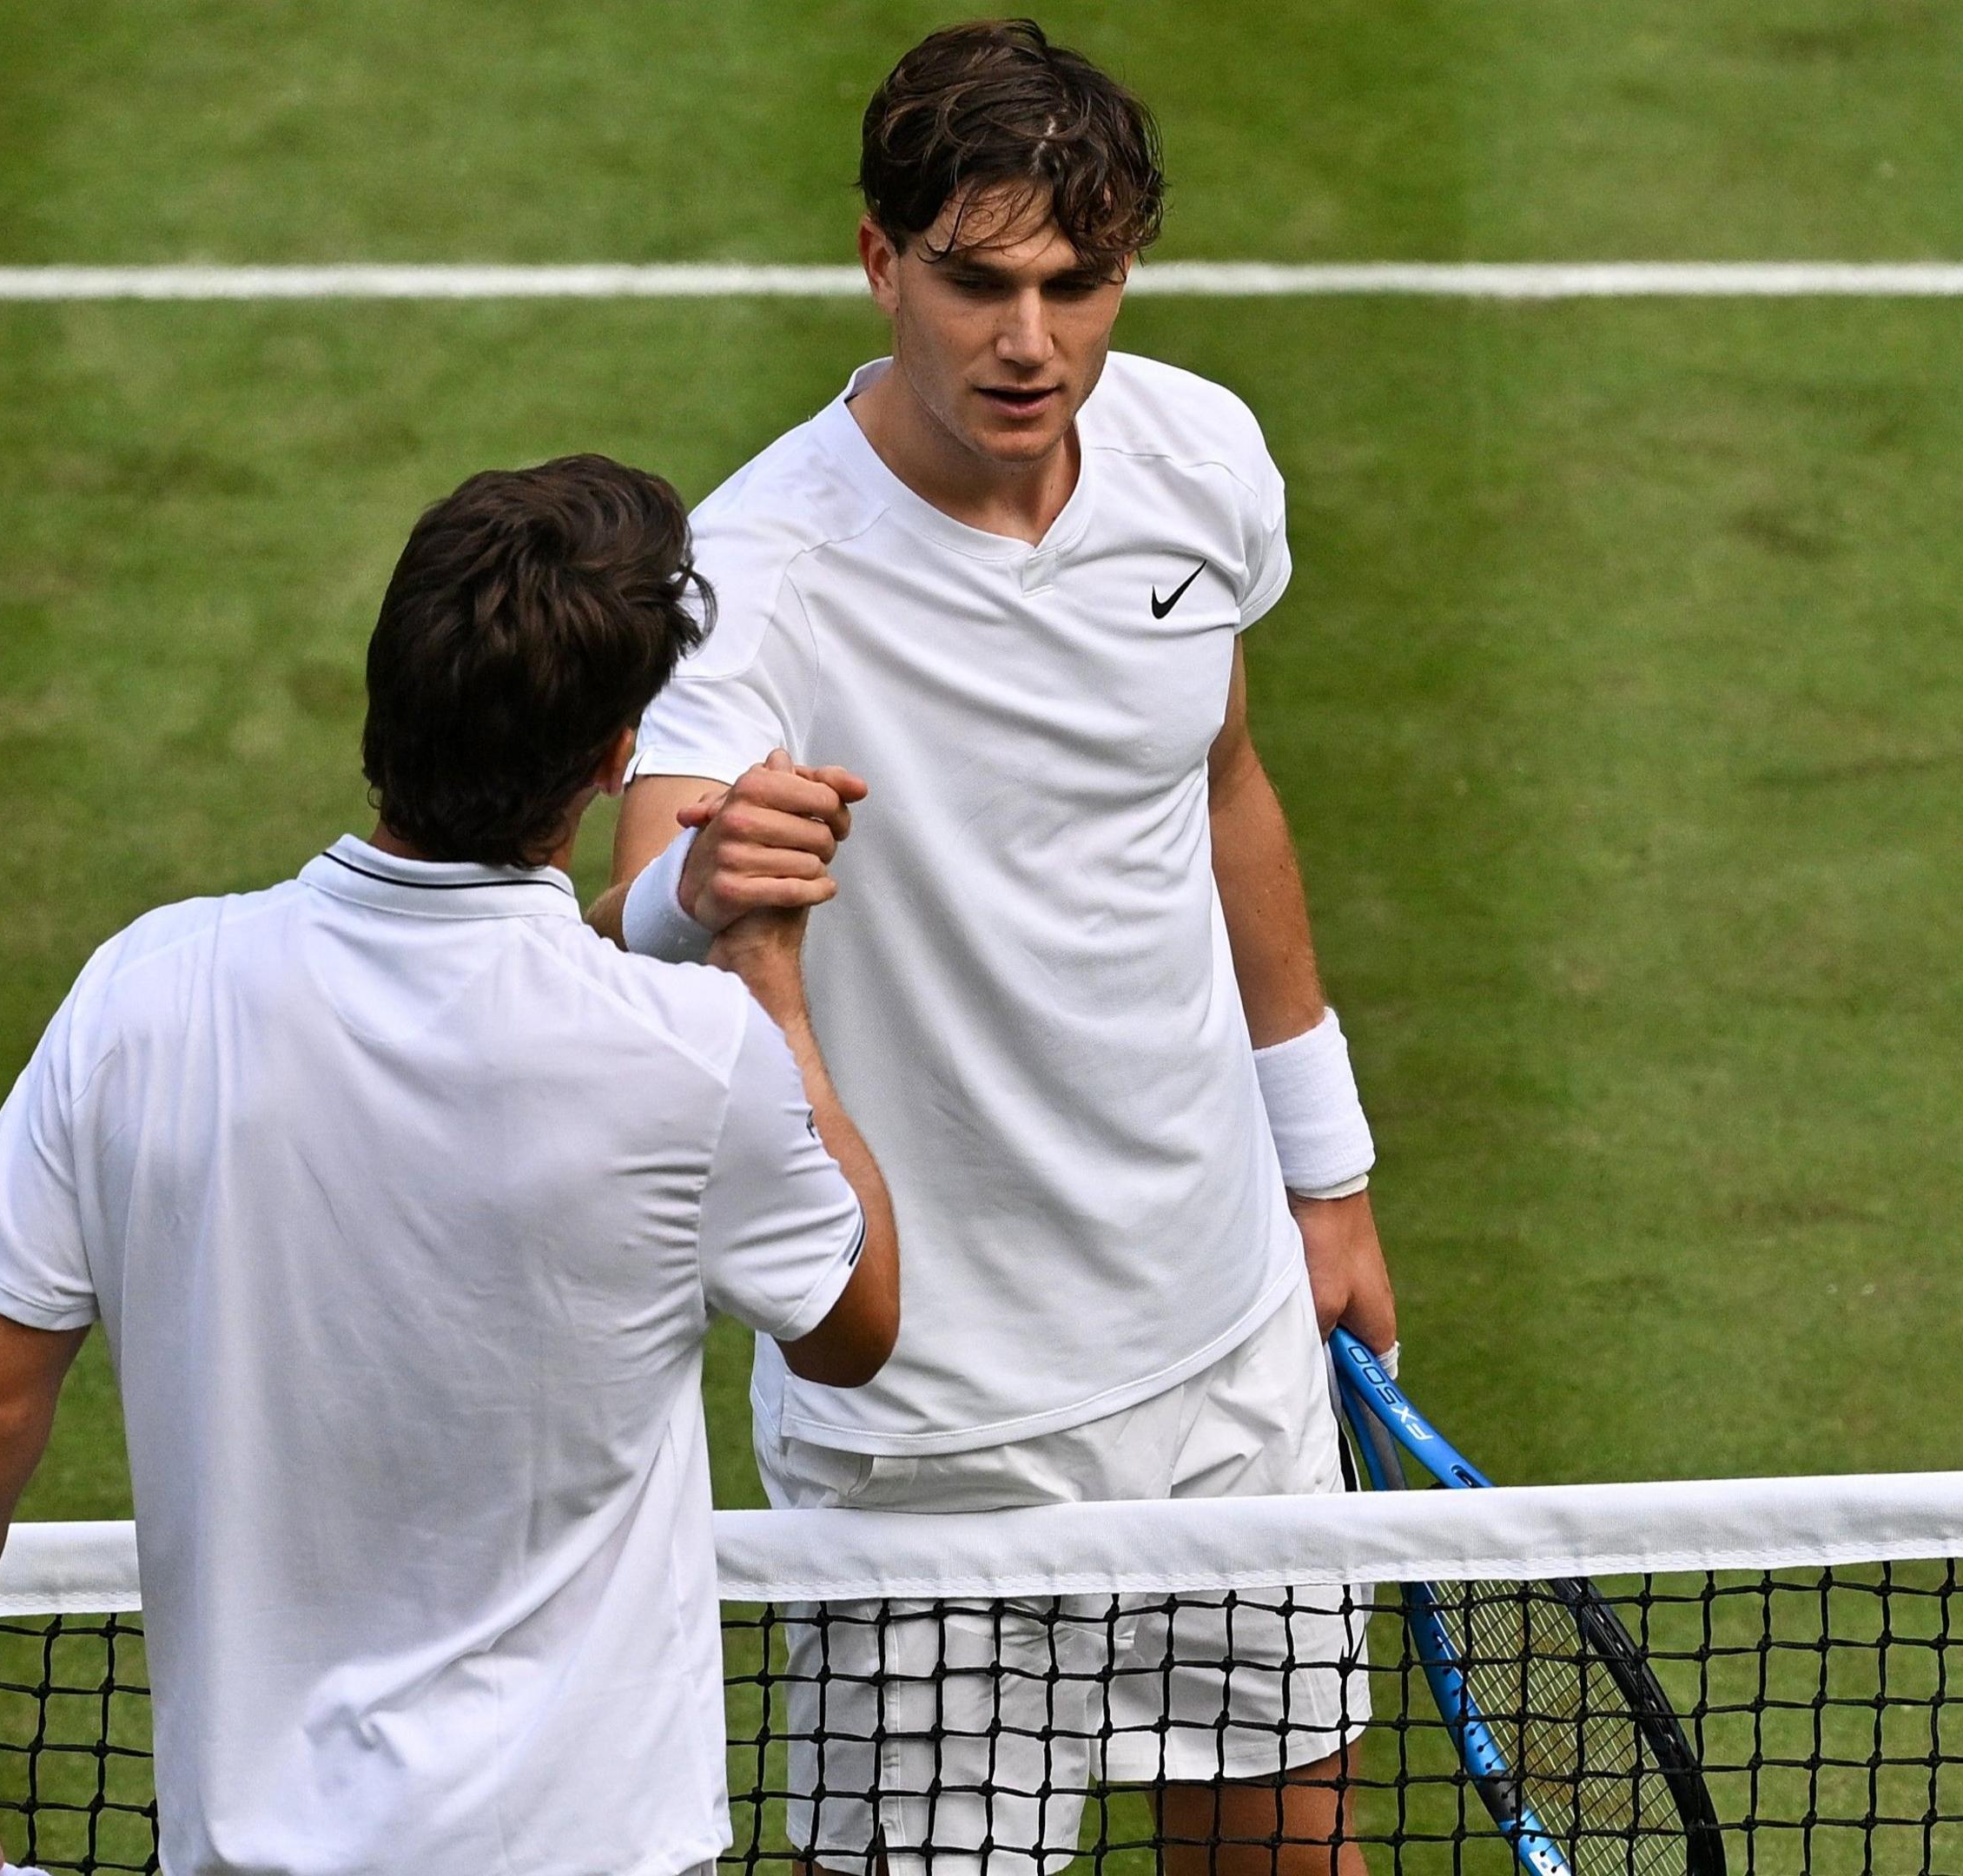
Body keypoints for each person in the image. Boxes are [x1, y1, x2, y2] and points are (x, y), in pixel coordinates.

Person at [0, 458, 897, 1876]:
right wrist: (761, 967)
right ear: (612, 758)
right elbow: (856, 1325)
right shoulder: (695, 1055)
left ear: (383, 703)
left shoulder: (143, 995)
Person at [591, 22, 1390, 1871]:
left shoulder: (1203, 460)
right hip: (930, 1430)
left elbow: (1225, 791)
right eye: (975, 284)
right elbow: (629, 906)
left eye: (1075, 283)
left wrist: (1327, 1180)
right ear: (880, 263)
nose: (1030, 342)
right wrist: (699, 893)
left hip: (1226, 1351)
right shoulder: (761, 566)